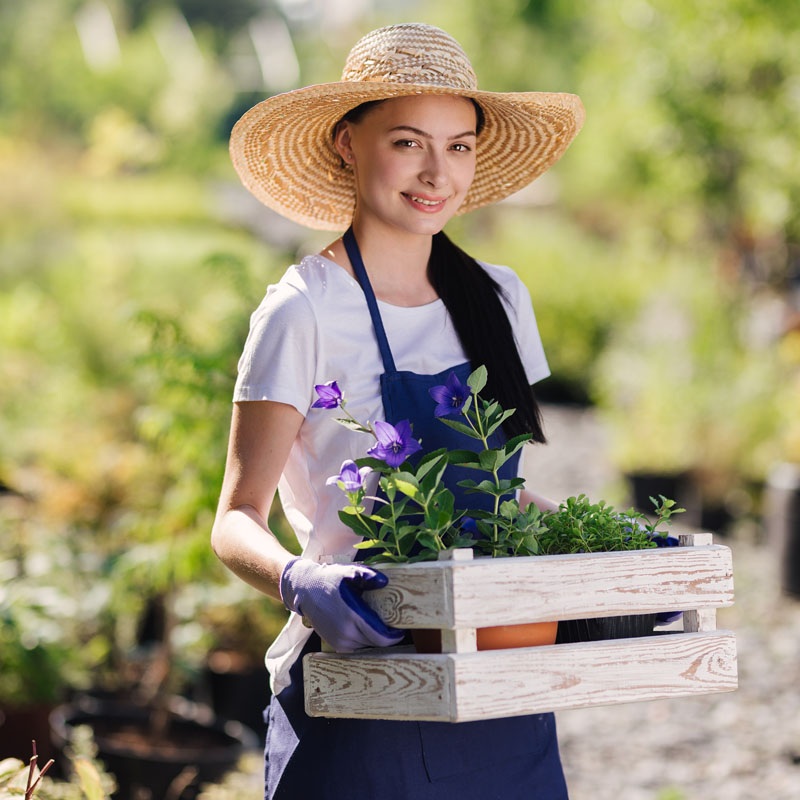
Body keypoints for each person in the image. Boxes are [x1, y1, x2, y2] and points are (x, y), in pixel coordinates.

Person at [213, 22, 584, 800]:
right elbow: (235, 517)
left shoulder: (498, 299)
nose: (435, 173)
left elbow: (499, 496)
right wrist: (299, 579)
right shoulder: (301, 311)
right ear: (348, 144)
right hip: (358, 692)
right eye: (408, 142)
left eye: (458, 147)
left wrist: (606, 555)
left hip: (500, 688)